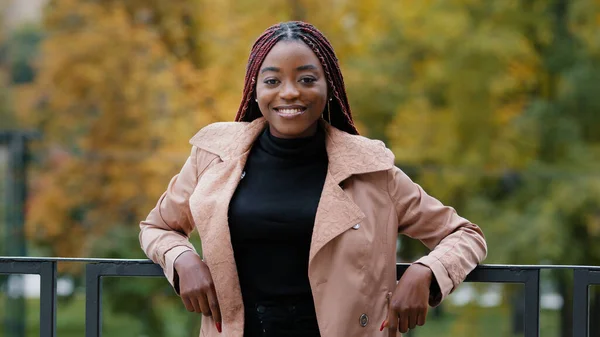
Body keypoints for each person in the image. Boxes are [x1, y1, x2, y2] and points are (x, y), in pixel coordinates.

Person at [139, 21, 487, 337]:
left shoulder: (370, 169)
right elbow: (158, 227)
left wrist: (426, 272)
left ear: (329, 86)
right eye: (272, 80)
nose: (289, 92)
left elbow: (464, 235)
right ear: (255, 89)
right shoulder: (214, 157)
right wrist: (182, 259)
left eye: (306, 79)